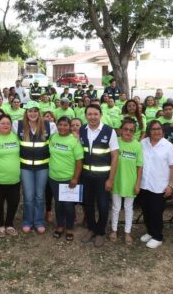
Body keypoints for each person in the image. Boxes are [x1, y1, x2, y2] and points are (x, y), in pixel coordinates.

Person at [79, 104, 119, 247]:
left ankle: (100, 232)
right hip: (86, 175)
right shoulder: (82, 130)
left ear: (101, 115)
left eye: (95, 114)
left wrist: (111, 179)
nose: (93, 117)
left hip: (103, 177)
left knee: (102, 205)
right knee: (88, 204)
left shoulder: (109, 131)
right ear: (86, 116)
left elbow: (115, 156)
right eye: (89, 114)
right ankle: (91, 229)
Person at [14, 101, 57, 234]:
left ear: (39, 112)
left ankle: (38, 221)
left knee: (39, 195)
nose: (32, 113)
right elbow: (0, 127)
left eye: (35, 111)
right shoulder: (18, 125)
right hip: (25, 167)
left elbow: (62, 136)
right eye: (29, 111)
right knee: (28, 195)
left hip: (42, 168)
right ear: (26, 113)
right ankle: (27, 220)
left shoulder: (50, 126)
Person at [138, 119, 173, 249]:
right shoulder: (143, 143)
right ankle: (150, 231)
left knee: (156, 212)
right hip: (144, 184)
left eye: (159, 129)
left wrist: (171, 185)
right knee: (146, 210)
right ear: (149, 131)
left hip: (159, 186)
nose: (156, 131)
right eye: (153, 129)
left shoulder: (168, 146)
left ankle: (157, 236)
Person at [48, 116, 83, 241]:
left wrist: (75, 178)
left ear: (69, 126)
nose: (62, 127)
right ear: (57, 125)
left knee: (68, 205)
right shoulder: (53, 137)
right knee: (58, 204)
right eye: (60, 125)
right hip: (53, 177)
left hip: (68, 179)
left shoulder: (74, 140)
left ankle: (69, 227)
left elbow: (79, 161)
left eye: (65, 125)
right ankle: (60, 225)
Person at [108, 119, 143, 245]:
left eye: (131, 130)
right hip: (116, 179)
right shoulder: (115, 142)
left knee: (128, 207)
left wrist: (138, 183)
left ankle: (127, 232)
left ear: (134, 132)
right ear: (121, 130)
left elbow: (140, 166)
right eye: (125, 129)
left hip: (130, 181)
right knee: (116, 207)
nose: (128, 132)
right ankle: (114, 230)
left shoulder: (138, 145)